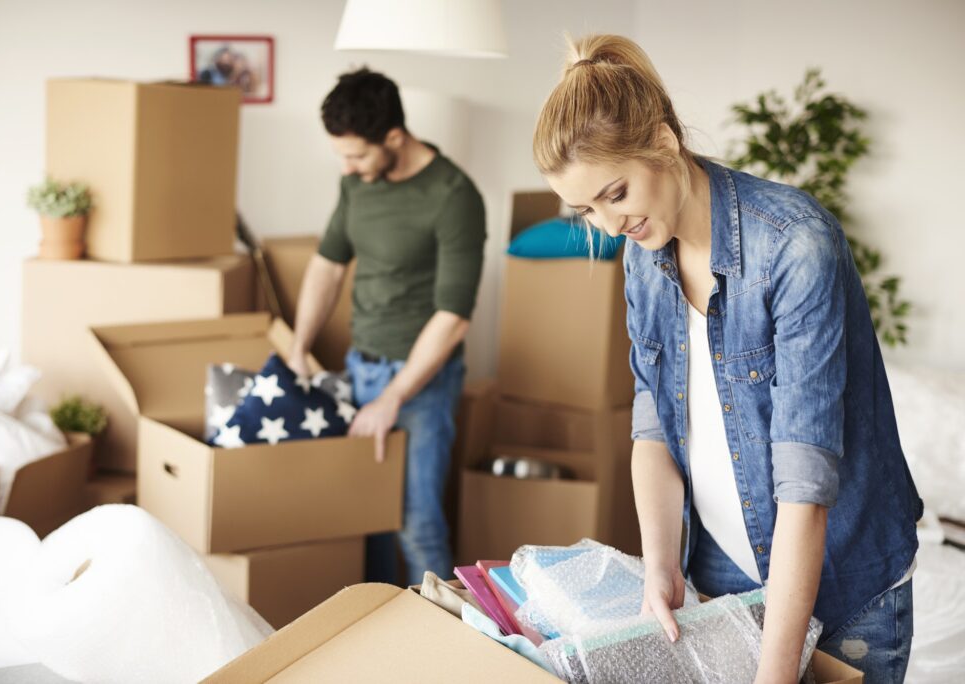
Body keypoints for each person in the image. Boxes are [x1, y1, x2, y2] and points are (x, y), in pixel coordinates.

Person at [533, 35, 921, 683]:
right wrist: (660, 566)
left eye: (615, 193)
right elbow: (653, 422)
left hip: (845, 584)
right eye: (586, 210)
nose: (606, 224)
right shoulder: (641, 254)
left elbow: (804, 490)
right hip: (722, 576)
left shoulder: (796, 246)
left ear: (661, 141)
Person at [288, 68, 486, 586]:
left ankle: (441, 649)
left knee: (416, 527)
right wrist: (298, 344)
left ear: (394, 138)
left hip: (420, 382)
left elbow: (454, 316)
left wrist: (393, 397)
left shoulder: (453, 195)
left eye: (356, 155)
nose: (347, 167)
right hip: (359, 369)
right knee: (367, 521)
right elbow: (328, 265)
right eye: (341, 155)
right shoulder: (356, 185)